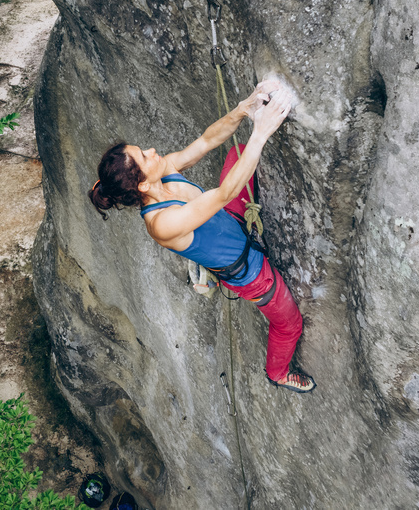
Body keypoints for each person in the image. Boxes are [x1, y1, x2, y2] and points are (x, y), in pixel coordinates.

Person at [89, 79, 315, 393]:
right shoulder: (161, 223)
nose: (153, 151)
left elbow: (205, 142)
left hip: (230, 222)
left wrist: (242, 110)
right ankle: (277, 373)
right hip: (247, 270)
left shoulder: (162, 171)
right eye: (144, 155)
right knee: (288, 324)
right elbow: (225, 193)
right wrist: (261, 133)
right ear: (141, 185)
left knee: (237, 153)